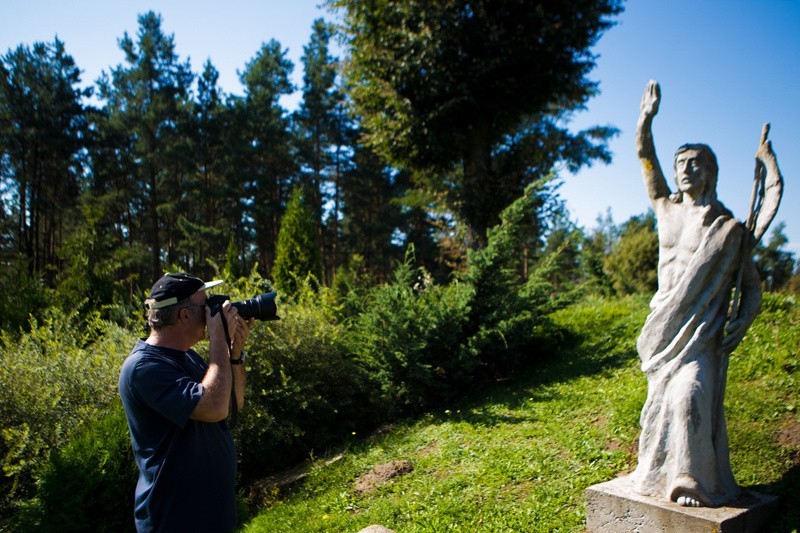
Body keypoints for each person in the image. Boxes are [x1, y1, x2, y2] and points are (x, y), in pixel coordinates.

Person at [630, 80, 781, 507]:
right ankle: (657, 473)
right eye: (681, 163)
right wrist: (645, 119)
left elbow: (751, 287)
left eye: (695, 163)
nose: (685, 169)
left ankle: (688, 481)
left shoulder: (728, 230)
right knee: (661, 410)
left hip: (703, 336)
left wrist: (745, 319)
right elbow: (645, 157)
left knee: (690, 395)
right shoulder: (665, 208)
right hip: (664, 331)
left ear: (710, 171)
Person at [119, 273, 252, 532]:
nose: (211, 312)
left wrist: (233, 354)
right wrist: (218, 340)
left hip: (211, 514)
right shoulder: (144, 368)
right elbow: (213, 408)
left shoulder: (187, 357)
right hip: (176, 518)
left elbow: (233, 402)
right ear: (184, 315)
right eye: (206, 306)